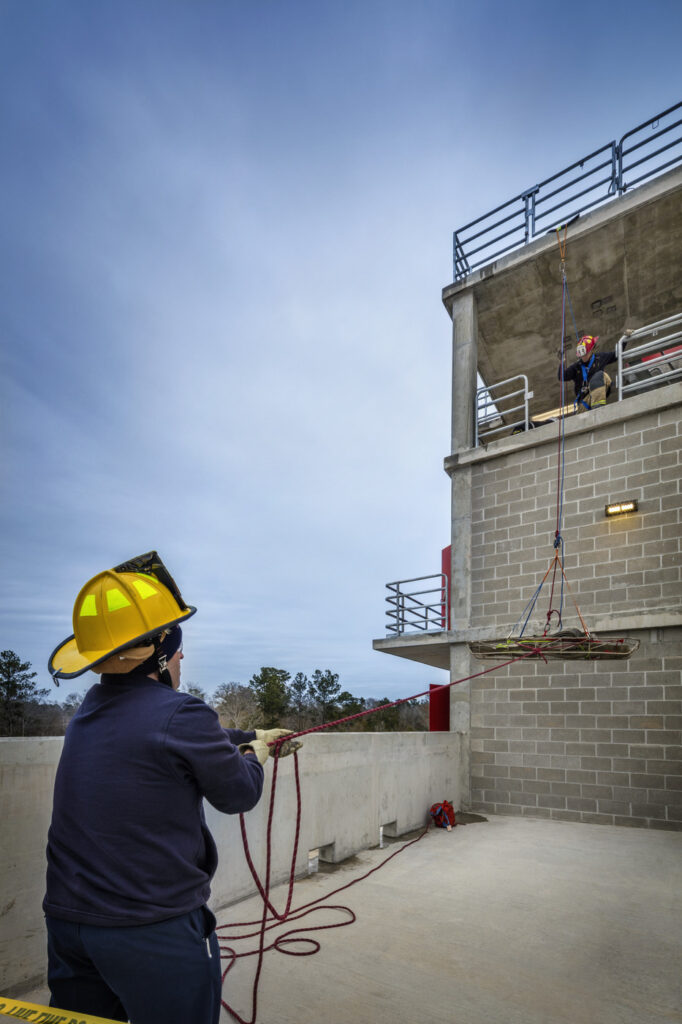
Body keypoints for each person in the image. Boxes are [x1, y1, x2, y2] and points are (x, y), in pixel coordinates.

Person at [44, 551, 299, 1024]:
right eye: (178, 648)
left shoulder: (87, 715)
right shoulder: (183, 714)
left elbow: (165, 736)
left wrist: (248, 736)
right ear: (160, 652)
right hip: (150, 928)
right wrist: (255, 757)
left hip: (69, 924)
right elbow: (239, 793)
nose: (182, 657)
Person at [559, 334, 625, 411]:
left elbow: (615, 355)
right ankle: (596, 408)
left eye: (586, 354)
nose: (583, 357)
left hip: (597, 395)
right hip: (584, 404)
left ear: (592, 350)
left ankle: (598, 408)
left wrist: (624, 339)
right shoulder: (576, 367)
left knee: (601, 375)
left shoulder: (600, 358)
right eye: (581, 355)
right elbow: (562, 376)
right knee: (599, 376)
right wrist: (562, 361)